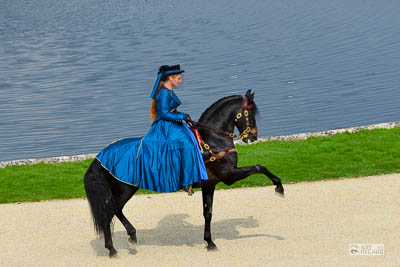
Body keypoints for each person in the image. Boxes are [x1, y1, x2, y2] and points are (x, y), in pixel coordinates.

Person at [96, 65, 208, 194]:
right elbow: (164, 113)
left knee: (192, 139)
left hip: (173, 123)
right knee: (187, 145)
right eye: (178, 78)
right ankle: (186, 181)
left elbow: (171, 110)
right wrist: (182, 116)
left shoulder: (168, 91)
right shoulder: (163, 94)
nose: (180, 81)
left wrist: (182, 115)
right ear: (170, 78)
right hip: (166, 126)